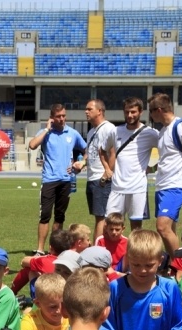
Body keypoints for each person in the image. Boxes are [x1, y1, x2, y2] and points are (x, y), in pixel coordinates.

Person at [102, 230, 182, 330]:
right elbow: (107, 328)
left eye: (149, 265)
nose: (142, 270)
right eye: (136, 265)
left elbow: (179, 326)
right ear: (128, 259)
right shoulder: (116, 288)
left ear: (160, 260)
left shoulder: (169, 287)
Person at [28, 104, 87, 255]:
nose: (62, 119)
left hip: (66, 180)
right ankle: (40, 249)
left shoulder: (72, 133)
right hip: (49, 180)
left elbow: (87, 149)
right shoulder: (46, 132)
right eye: (58, 116)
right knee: (45, 216)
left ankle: (55, 249)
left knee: (60, 217)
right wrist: (47, 129)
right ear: (52, 118)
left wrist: (81, 163)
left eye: (63, 116)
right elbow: (32, 145)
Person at [147, 93, 182, 258]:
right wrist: (149, 169)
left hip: (175, 185)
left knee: (163, 227)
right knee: (170, 229)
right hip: (162, 185)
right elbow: (167, 159)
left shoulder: (181, 126)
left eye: (151, 111)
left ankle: (181, 265)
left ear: (159, 110)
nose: (150, 115)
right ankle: (173, 265)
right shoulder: (163, 131)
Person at [103, 97, 158, 230]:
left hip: (137, 188)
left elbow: (167, 151)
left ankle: (134, 246)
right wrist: (107, 169)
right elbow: (102, 150)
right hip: (117, 188)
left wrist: (152, 168)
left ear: (141, 112)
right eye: (127, 112)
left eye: (133, 112)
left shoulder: (150, 133)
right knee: (109, 225)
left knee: (136, 227)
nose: (129, 115)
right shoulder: (115, 131)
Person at [73, 100, 115, 239]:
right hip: (92, 178)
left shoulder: (108, 129)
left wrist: (106, 175)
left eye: (89, 109)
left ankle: (98, 248)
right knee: (98, 216)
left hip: (101, 179)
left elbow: (114, 153)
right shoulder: (92, 131)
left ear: (99, 111)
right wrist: (82, 162)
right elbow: (89, 151)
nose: (86, 111)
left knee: (101, 218)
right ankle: (101, 246)